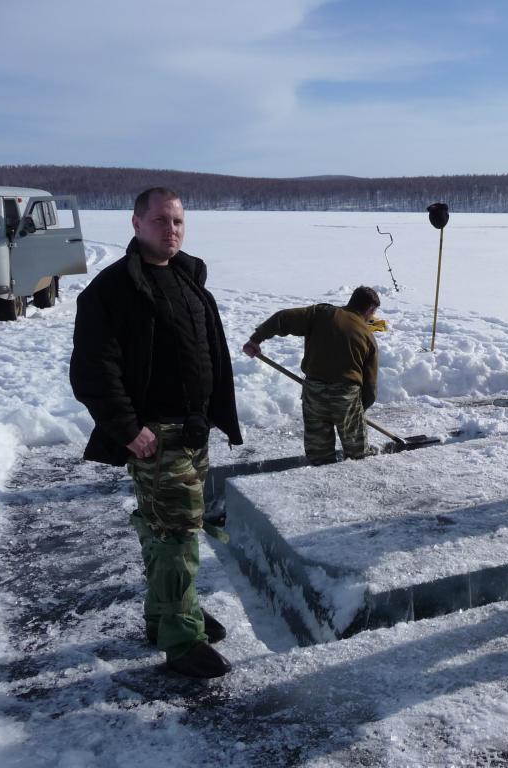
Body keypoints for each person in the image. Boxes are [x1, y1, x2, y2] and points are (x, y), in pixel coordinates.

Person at [70, 187, 242, 679]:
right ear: (136, 224)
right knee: (177, 537)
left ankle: (164, 614)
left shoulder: (187, 277)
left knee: (164, 529)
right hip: (155, 435)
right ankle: (181, 638)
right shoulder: (112, 290)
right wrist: (127, 428)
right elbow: (93, 371)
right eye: (162, 221)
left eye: (179, 222)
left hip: (191, 430)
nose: (172, 230)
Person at [243, 287, 380, 465]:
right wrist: (359, 410)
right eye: (373, 313)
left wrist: (256, 339)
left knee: (319, 453)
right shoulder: (368, 336)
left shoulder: (321, 314)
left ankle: (321, 473)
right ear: (370, 309)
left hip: (314, 393)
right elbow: (370, 387)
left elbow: (283, 318)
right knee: (357, 454)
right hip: (346, 396)